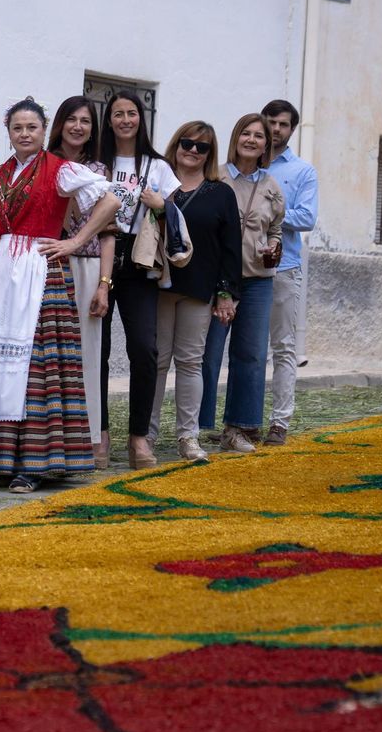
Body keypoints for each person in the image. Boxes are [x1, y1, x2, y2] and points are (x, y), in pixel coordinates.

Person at [0, 98, 121, 493]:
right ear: (8, 132)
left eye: (32, 128)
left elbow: (111, 199)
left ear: (44, 131)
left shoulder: (61, 170)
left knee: (35, 368)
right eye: (17, 128)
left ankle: (33, 463)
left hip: (39, 270)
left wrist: (76, 239)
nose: (24, 134)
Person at [143, 122, 241, 462]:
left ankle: (188, 436)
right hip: (157, 285)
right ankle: (146, 437)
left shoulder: (221, 193)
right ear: (176, 143)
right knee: (155, 363)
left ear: (210, 154)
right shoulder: (159, 183)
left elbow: (231, 247)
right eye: (187, 143)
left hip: (199, 288)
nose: (193, 151)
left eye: (202, 147)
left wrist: (226, 292)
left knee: (190, 363)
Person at [96, 89, 179, 468]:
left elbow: (176, 214)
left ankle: (138, 439)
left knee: (145, 348)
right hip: (97, 257)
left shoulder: (157, 165)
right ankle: (100, 434)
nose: (125, 119)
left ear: (141, 119)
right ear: (108, 119)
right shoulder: (97, 162)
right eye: (118, 113)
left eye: (132, 113)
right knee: (97, 347)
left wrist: (162, 206)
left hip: (139, 260)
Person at [200, 113, 286, 454]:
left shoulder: (272, 187)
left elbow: (276, 228)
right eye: (246, 133)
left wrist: (275, 246)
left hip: (257, 280)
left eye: (259, 136)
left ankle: (236, 429)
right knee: (209, 353)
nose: (252, 140)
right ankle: (195, 426)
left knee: (250, 354)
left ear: (267, 144)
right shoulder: (215, 177)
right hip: (217, 277)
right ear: (235, 137)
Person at [48, 95, 115, 467]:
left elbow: (108, 233)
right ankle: (52, 437)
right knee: (49, 357)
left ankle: (89, 439)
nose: (78, 126)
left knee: (88, 355)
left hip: (88, 266)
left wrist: (104, 283)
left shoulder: (97, 170)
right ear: (60, 123)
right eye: (71, 119)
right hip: (49, 264)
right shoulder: (44, 165)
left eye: (85, 121)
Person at [261, 98, 319, 447]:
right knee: (247, 349)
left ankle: (279, 422)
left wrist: (267, 214)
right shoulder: (243, 164)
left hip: (284, 267)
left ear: (292, 129)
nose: (275, 129)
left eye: (283, 124)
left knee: (282, 348)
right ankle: (242, 421)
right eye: (271, 122)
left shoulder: (301, 172)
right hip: (244, 269)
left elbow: (307, 218)